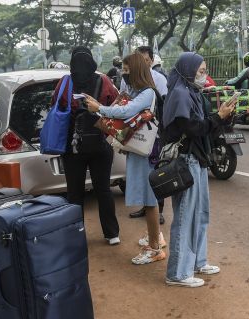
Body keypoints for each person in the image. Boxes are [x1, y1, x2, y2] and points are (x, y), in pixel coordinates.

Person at [162, 52, 235, 287]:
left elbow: (206, 129)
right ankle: (177, 273)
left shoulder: (193, 93)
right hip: (186, 161)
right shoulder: (180, 95)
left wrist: (223, 117)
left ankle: (197, 261)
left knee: (201, 214)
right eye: (200, 71)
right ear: (188, 70)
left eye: (205, 71)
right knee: (185, 216)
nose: (204, 76)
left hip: (199, 159)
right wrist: (218, 117)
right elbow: (193, 128)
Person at [85, 52, 166, 265]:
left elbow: (126, 111)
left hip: (145, 152)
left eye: (127, 70)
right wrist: (99, 106)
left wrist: (99, 108)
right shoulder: (135, 90)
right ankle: (154, 237)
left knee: (149, 199)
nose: (124, 73)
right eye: (123, 69)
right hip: (139, 150)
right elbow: (121, 109)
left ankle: (155, 247)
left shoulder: (147, 92)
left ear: (137, 70)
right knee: (148, 198)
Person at [50, 46, 121, 246]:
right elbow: (115, 105)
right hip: (100, 144)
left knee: (75, 192)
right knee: (103, 190)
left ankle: (76, 234)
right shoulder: (104, 80)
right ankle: (112, 234)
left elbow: (55, 104)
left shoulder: (65, 82)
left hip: (72, 146)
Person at [127, 45, 169, 224]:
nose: (142, 64)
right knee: (144, 176)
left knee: (155, 173)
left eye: (145, 60)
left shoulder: (158, 80)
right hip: (136, 133)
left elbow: (162, 105)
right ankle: (146, 207)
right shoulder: (130, 79)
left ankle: (157, 210)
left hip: (152, 134)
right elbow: (126, 99)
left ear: (151, 60)